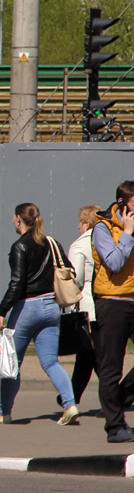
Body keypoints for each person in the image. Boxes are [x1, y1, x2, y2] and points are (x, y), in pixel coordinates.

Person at [0, 202, 80, 426]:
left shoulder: (19, 247)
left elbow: (17, 283)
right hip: (51, 307)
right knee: (50, 362)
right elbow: (69, 269)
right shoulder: (51, 242)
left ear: (19, 220)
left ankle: (4, 412)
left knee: (13, 363)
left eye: (14, 217)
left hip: (26, 309)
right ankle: (70, 405)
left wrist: (2, 311)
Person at [89, 183, 134, 443]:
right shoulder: (102, 229)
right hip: (113, 302)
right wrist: (128, 234)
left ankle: (118, 399)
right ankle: (115, 427)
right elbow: (115, 264)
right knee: (111, 368)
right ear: (121, 202)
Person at [65, 205, 100, 406]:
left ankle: (112, 399)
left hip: (86, 308)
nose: (78, 226)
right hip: (102, 303)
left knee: (94, 355)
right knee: (86, 356)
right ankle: (70, 396)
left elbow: (76, 278)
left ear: (86, 223)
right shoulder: (105, 240)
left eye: (80, 222)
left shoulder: (79, 245)